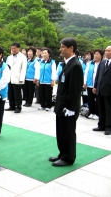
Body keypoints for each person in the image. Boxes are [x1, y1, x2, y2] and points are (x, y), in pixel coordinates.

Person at [50, 37, 83, 166]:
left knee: (68, 132)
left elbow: (75, 90)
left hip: (68, 107)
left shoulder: (75, 65)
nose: (61, 49)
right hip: (61, 105)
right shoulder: (66, 63)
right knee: (61, 131)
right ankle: (62, 153)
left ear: (71, 48)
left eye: (63, 47)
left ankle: (68, 157)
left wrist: (70, 108)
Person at [92, 46, 111, 135]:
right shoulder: (102, 63)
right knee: (101, 108)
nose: (106, 52)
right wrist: (95, 86)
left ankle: (108, 127)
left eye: (109, 51)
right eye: (106, 51)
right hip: (100, 89)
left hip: (109, 90)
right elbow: (97, 76)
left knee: (108, 109)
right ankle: (101, 125)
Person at [5, 42, 27, 113]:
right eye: (12, 48)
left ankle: (18, 107)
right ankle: (12, 105)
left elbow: (23, 68)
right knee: (10, 93)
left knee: (17, 93)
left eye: (14, 48)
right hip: (10, 77)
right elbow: (7, 67)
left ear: (18, 48)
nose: (13, 50)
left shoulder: (23, 57)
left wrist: (21, 78)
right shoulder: (10, 57)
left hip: (17, 77)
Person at [84, 49, 103, 120]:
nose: (96, 55)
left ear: (101, 55)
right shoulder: (90, 63)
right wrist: (85, 82)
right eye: (95, 54)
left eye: (98, 54)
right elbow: (86, 72)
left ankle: (97, 113)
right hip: (90, 83)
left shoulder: (102, 63)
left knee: (98, 100)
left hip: (98, 85)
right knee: (90, 99)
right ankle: (92, 112)